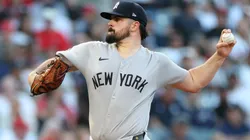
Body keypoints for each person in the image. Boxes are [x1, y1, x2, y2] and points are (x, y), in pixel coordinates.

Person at [28, 1, 236, 140]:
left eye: (117, 19)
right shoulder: (91, 50)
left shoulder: (155, 62)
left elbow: (193, 81)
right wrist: (36, 76)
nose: (110, 22)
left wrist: (219, 57)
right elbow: (46, 69)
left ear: (135, 25)